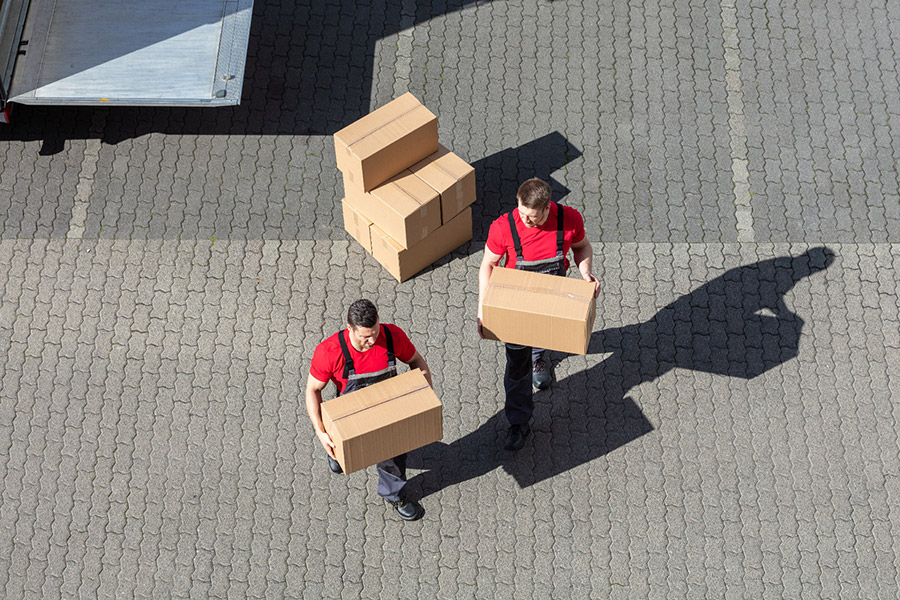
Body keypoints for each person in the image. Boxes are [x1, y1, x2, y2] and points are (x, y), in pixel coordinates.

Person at [477, 178, 600, 451]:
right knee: (516, 366)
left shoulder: (568, 219)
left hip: (550, 301)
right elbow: (487, 265)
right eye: (521, 213)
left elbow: (582, 247)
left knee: (545, 335)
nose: (525, 221)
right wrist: (483, 308)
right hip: (515, 306)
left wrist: (585, 272)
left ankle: (539, 356)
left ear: (547, 208)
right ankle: (519, 422)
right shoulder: (503, 227)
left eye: (532, 218)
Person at [306, 299, 434, 520]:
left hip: (387, 409)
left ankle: (392, 494)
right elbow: (312, 390)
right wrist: (320, 432)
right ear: (350, 330)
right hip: (350, 414)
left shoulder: (392, 337)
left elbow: (416, 361)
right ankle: (337, 454)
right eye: (365, 337)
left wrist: (425, 398)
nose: (372, 340)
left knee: (394, 456)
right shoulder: (329, 352)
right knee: (341, 449)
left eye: (374, 332)